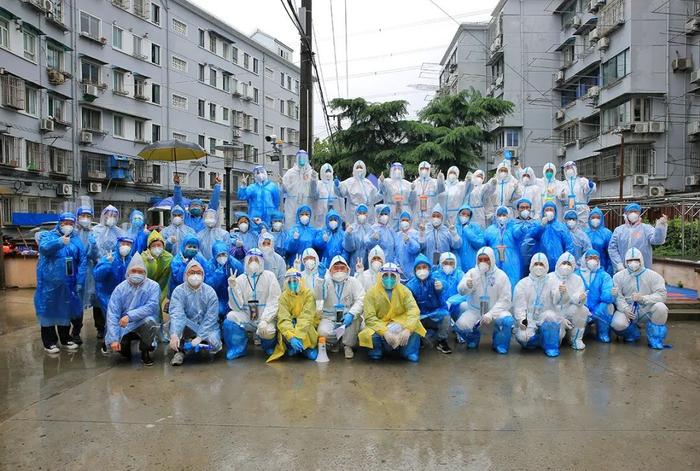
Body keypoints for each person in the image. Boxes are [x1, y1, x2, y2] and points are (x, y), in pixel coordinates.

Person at [35, 212, 87, 353]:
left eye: (71, 223)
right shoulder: (49, 235)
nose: (68, 226)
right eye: (65, 223)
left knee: (65, 310)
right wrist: (59, 242)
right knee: (49, 311)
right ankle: (49, 342)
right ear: (59, 223)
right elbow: (44, 248)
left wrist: (80, 282)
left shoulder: (76, 240)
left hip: (68, 283)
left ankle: (65, 338)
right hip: (49, 284)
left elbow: (82, 261)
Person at [358, 263, 425, 361]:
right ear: (380, 276)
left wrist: (408, 329)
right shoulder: (371, 293)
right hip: (380, 323)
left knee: (416, 325)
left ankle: (410, 351)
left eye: (392, 275)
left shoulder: (405, 291)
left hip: (401, 322)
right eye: (385, 275)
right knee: (368, 334)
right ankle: (377, 350)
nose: (389, 278)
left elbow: (413, 311)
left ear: (397, 277)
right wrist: (384, 332)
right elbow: (370, 317)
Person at [452, 247, 513, 353]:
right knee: (460, 326)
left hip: (495, 311)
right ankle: (473, 338)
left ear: (492, 259)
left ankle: (500, 343)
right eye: (480, 260)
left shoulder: (501, 276)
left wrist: (491, 314)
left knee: (506, 320)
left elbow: (505, 299)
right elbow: (461, 291)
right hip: (475, 310)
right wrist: (466, 285)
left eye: (486, 259)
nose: (483, 262)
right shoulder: (472, 273)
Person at [223, 248, 281, 359]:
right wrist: (232, 288)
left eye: (256, 260)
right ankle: (238, 348)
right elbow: (236, 307)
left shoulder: (269, 276)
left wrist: (265, 320)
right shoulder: (240, 279)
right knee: (230, 317)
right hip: (247, 316)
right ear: (246, 261)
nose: (253, 263)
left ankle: (269, 347)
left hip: (264, 317)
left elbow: (274, 301)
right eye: (250, 260)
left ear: (261, 261)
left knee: (268, 331)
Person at [105, 253, 160, 366]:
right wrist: (114, 338)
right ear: (128, 272)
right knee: (124, 353)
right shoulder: (120, 289)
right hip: (123, 325)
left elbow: (151, 307)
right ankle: (124, 342)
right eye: (133, 271)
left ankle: (145, 350)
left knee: (151, 322)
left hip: (142, 322)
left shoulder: (153, 286)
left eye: (140, 272)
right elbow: (112, 314)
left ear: (145, 273)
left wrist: (129, 316)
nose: (137, 274)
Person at [611, 248, 669, 349]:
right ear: (626, 261)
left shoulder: (653, 276)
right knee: (617, 324)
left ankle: (656, 338)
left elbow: (662, 295)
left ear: (641, 260)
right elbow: (618, 296)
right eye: (630, 260)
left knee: (661, 308)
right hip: (628, 309)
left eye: (636, 260)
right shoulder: (618, 277)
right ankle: (631, 333)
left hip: (647, 308)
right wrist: (625, 309)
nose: (633, 263)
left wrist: (643, 298)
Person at [168, 259, 222, 366]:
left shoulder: (209, 292)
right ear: (186, 274)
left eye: (198, 273)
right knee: (176, 332)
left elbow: (211, 317)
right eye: (192, 273)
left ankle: (202, 345)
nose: (195, 275)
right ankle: (179, 352)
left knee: (215, 343)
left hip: (205, 325)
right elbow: (177, 314)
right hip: (186, 324)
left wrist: (200, 336)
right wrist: (174, 334)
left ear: (203, 275)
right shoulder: (179, 291)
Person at [316, 256, 365, 359]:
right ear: (330, 270)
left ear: (347, 269)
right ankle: (335, 343)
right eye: (336, 268)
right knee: (322, 332)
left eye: (342, 268)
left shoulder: (353, 282)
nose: (339, 270)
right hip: (330, 317)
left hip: (347, 316)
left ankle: (348, 346)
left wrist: (351, 313)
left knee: (355, 319)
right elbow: (319, 296)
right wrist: (320, 279)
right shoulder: (326, 281)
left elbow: (361, 299)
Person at [267, 269, 319, 362]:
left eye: (295, 281)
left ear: (300, 281)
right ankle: (292, 346)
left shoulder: (308, 294)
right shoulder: (284, 297)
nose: (292, 283)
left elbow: (306, 317)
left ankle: (307, 349)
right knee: (285, 329)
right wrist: (291, 338)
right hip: (291, 326)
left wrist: (298, 336)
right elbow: (283, 318)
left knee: (307, 328)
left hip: (306, 326)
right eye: (289, 282)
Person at [543, 252, 589, 354]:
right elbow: (545, 303)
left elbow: (578, 298)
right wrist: (561, 319)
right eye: (564, 263)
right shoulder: (549, 278)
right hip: (553, 313)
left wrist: (580, 298)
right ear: (558, 263)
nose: (566, 266)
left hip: (568, 311)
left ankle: (576, 338)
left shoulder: (577, 279)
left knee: (582, 310)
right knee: (557, 338)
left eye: (569, 264)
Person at [405, 254, 452, 354]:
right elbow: (408, 305)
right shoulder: (411, 285)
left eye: (424, 267)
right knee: (410, 320)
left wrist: (441, 287)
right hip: (419, 315)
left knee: (446, 316)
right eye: (419, 268)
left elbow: (445, 285)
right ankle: (419, 339)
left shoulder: (434, 280)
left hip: (434, 313)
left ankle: (441, 340)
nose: (422, 270)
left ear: (429, 268)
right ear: (414, 270)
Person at [94, 236, 134, 349]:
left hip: (125, 295)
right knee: (112, 318)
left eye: (129, 244)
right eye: (123, 244)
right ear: (118, 245)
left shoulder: (132, 260)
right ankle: (108, 342)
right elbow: (97, 276)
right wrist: (107, 265)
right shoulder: (108, 258)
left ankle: (121, 341)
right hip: (107, 294)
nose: (125, 247)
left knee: (123, 318)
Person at [513, 253, 556, 354]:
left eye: (541, 264)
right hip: (529, 319)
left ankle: (550, 346)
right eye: (536, 264)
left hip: (546, 318)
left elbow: (558, 303)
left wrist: (563, 293)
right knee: (524, 338)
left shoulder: (552, 283)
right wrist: (522, 320)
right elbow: (520, 306)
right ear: (531, 266)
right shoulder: (522, 284)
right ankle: (539, 339)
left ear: (546, 266)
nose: (538, 267)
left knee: (551, 318)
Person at [609, 203, 668, 273]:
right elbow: (612, 248)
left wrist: (661, 226)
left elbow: (658, 241)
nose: (633, 214)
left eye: (635, 212)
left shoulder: (646, 228)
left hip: (643, 270)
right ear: (625, 213)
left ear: (639, 213)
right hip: (624, 270)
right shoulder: (618, 230)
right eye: (631, 212)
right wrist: (619, 264)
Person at [576, 249, 615, 343]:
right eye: (590, 258)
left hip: (597, 309)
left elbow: (607, 294)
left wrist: (609, 296)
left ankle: (603, 333)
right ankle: (576, 335)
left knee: (607, 306)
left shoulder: (604, 276)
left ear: (599, 260)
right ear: (584, 259)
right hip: (581, 307)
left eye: (595, 258)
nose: (592, 260)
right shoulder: (576, 274)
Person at [74, 205, 99, 344]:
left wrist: (94, 246)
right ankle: (76, 331)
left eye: (88, 216)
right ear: (77, 217)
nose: (85, 219)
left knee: (97, 300)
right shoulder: (73, 233)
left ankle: (100, 329)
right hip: (75, 271)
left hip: (91, 272)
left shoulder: (93, 233)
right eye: (83, 216)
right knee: (77, 301)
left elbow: (96, 255)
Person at [204, 241, 245, 321]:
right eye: (219, 255)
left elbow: (243, 282)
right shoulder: (209, 265)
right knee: (220, 311)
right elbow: (207, 286)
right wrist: (217, 276)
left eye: (224, 254)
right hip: (217, 297)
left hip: (233, 294)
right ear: (214, 255)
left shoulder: (236, 264)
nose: (222, 257)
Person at [529, 201, 574, 271]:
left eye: (551, 210)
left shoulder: (561, 227)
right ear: (543, 212)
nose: (549, 212)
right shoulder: (537, 224)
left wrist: (566, 260)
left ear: (555, 212)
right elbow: (533, 236)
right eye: (547, 210)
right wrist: (541, 226)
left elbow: (569, 245)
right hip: (541, 263)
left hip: (559, 262)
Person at [483, 206, 520, 290]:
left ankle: (511, 300)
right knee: (494, 282)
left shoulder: (513, 227)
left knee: (512, 280)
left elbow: (519, 235)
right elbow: (484, 243)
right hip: (494, 258)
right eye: (499, 215)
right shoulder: (490, 229)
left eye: (504, 215)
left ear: (508, 216)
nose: (502, 217)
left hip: (511, 259)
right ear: (496, 216)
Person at [282, 150, 318, 229]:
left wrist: (314, 181)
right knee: (291, 222)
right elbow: (285, 189)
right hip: (292, 204)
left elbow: (314, 192)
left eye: (304, 157)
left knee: (307, 223)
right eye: (300, 157)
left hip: (307, 202)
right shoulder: (290, 173)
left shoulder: (311, 173)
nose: (302, 159)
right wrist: (283, 184)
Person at [142, 230, 173, 310]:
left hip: (162, 288)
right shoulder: (143, 256)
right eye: (153, 246)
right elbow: (144, 276)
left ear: (163, 246)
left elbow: (167, 278)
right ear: (149, 247)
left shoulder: (168, 258)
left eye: (159, 245)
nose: (156, 248)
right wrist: (150, 264)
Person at [559, 161, 596, 227]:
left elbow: (588, 191)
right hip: (568, 209)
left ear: (575, 169)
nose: (569, 170)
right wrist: (562, 195)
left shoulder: (581, 180)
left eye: (571, 167)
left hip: (581, 210)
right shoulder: (562, 184)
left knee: (583, 228)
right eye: (567, 168)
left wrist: (590, 186)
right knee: (568, 228)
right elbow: (559, 196)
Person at [379, 162, 414, 228]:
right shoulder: (387, 181)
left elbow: (411, 199)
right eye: (395, 169)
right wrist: (381, 182)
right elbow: (382, 191)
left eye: (399, 169)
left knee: (404, 228)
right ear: (391, 170)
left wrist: (412, 190)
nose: (397, 171)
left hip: (404, 208)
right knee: (391, 227)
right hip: (391, 208)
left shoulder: (407, 183)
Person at [510, 198, 539, 277]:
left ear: (530, 209)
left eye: (527, 207)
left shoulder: (535, 223)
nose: (525, 209)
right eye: (522, 207)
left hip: (532, 259)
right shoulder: (512, 223)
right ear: (518, 209)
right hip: (516, 259)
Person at [412, 161, 445, 225]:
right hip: (418, 214)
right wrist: (411, 191)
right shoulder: (414, 183)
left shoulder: (434, 182)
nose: (424, 170)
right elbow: (411, 201)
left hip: (430, 213)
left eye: (426, 169)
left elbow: (441, 189)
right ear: (419, 170)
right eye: (422, 169)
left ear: (429, 170)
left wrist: (440, 180)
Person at [455, 205, 485, 273]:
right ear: (459, 214)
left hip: (473, 264)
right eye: (463, 214)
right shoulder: (454, 228)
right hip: (458, 266)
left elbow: (481, 243)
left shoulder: (475, 227)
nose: (465, 216)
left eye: (467, 215)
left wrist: (468, 231)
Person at [343, 204, 372, 273]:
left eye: (364, 213)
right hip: (354, 262)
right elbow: (349, 248)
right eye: (360, 213)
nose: (362, 215)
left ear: (367, 214)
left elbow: (372, 247)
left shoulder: (370, 228)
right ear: (356, 214)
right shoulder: (352, 228)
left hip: (367, 263)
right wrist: (348, 235)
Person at [392, 210, 422, 278]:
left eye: (407, 220)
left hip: (412, 270)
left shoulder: (415, 233)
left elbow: (416, 249)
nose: (404, 222)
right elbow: (395, 253)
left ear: (410, 222)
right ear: (400, 221)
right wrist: (397, 265)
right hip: (399, 272)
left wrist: (409, 241)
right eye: (403, 220)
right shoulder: (397, 235)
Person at [585, 207, 614, 275]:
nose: (595, 219)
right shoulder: (584, 233)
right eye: (593, 217)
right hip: (586, 267)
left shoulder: (607, 233)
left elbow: (611, 252)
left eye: (598, 217)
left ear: (602, 219)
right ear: (589, 219)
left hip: (603, 266)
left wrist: (609, 268)